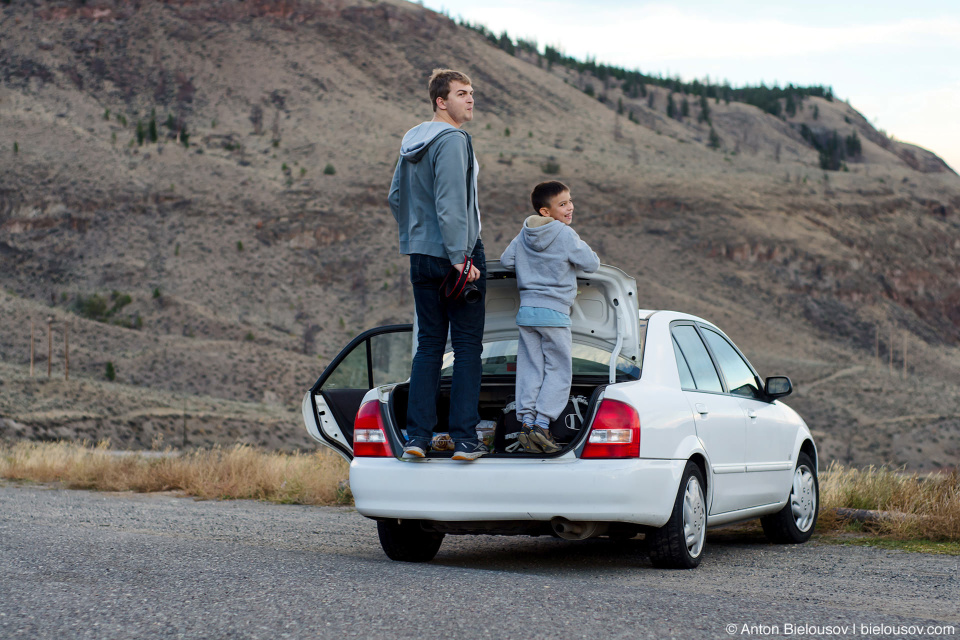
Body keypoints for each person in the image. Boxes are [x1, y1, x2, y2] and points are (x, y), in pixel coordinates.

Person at [388, 69, 487, 461]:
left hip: (421, 256)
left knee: (428, 346)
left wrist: (418, 238)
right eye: (462, 93)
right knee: (466, 348)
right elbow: (449, 204)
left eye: (472, 93)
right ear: (440, 101)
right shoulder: (453, 139)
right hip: (455, 256)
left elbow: (396, 198)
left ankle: (417, 438)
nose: (471, 99)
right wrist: (461, 258)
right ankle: (464, 439)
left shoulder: (411, 143)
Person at [499, 181, 600, 453]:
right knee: (558, 369)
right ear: (546, 211)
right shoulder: (566, 235)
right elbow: (592, 264)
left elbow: (507, 261)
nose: (570, 207)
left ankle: (527, 422)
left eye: (570, 201)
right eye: (563, 204)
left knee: (531, 368)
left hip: (527, 314)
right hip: (554, 313)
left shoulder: (523, 235)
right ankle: (542, 423)